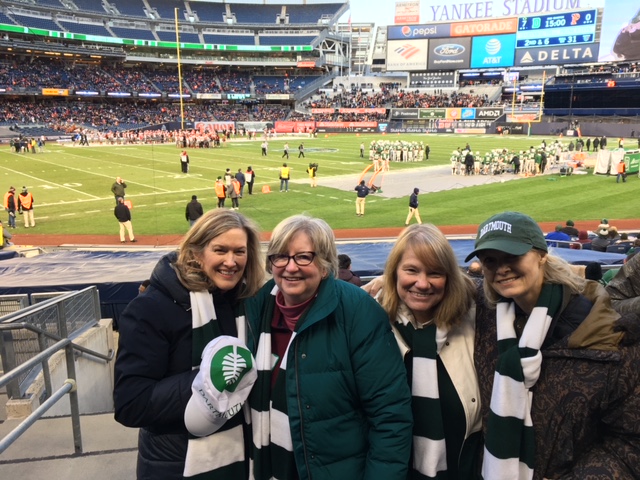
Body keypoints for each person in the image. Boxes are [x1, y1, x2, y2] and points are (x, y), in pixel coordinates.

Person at [465, 211, 640, 479]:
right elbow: (443, 285)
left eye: (512, 256)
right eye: (490, 260)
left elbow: (629, 442)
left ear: (542, 255)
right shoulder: (492, 313)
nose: (501, 268)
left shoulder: (602, 334)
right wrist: (388, 281)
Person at [244, 214, 413, 480]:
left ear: (324, 265)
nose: (290, 267)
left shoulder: (358, 311)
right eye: (281, 256)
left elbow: (390, 417)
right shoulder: (256, 308)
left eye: (303, 257)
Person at [114, 209, 265, 479]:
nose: (230, 261)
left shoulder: (245, 303)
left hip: (240, 460)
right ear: (196, 252)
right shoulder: (151, 308)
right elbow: (130, 403)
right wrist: (207, 382)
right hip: (175, 465)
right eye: (220, 250)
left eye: (239, 252)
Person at [376, 224, 482, 479]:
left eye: (435, 273)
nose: (422, 283)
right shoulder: (371, 321)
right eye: (411, 270)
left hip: (467, 469)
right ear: (394, 272)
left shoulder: (476, 319)